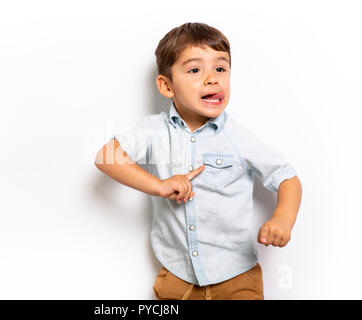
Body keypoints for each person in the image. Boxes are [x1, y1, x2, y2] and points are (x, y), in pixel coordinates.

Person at [94, 22, 302, 300]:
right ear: (166, 86)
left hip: (236, 274)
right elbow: (107, 157)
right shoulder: (154, 131)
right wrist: (159, 186)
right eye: (195, 70)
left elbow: (287, 177)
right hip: (178, 276)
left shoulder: (237, 136)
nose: (212, 79)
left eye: (221, 68)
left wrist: (283, 219)